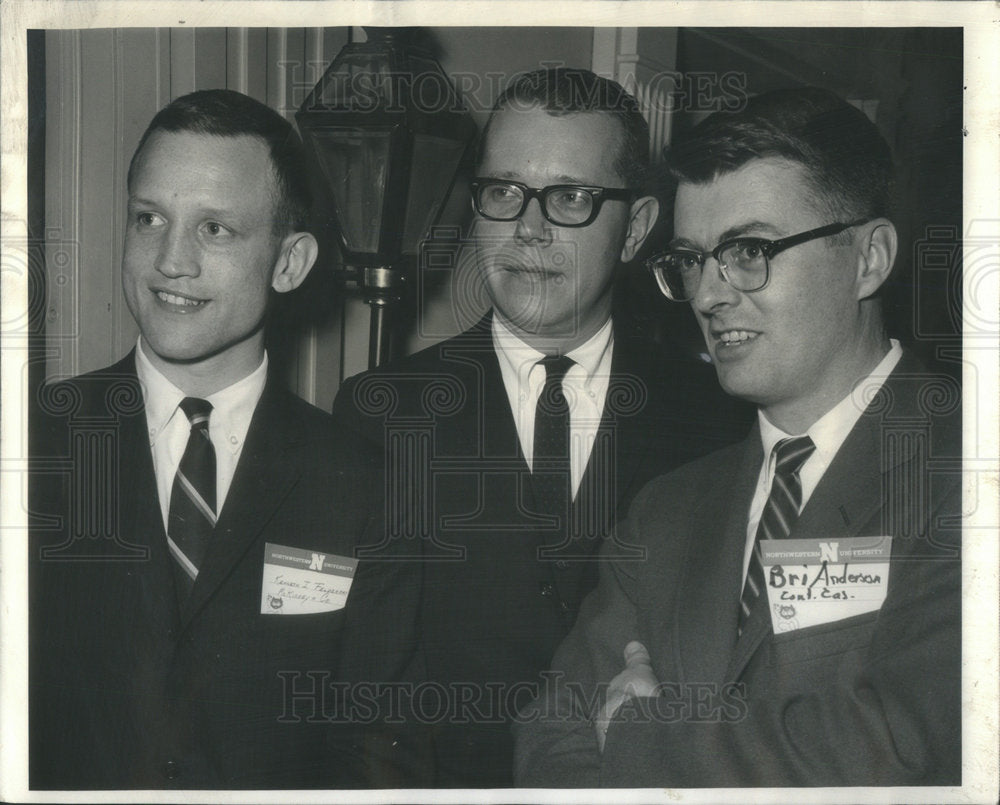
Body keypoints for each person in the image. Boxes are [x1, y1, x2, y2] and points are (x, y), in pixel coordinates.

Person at [514, 86, 962, 787]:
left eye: (749, 249)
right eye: (692, 259)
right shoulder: (665, 510)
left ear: (869, 259)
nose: (708, 295)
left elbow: (903, 750)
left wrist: (638, 734)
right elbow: (553, 731)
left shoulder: (967, 472)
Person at [332, 68, 749, 787]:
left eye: (570, 198)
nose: (527, 228)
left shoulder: (716, 417)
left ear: (637, 229)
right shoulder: (382, 412)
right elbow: (366, 699)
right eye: (503, 192)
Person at [29, 89, 417, 789]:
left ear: (290, 262)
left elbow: (373, 749)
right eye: (149, 218)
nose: (170, 260)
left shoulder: (363, 486)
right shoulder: (30, 445)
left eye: (215, 229)